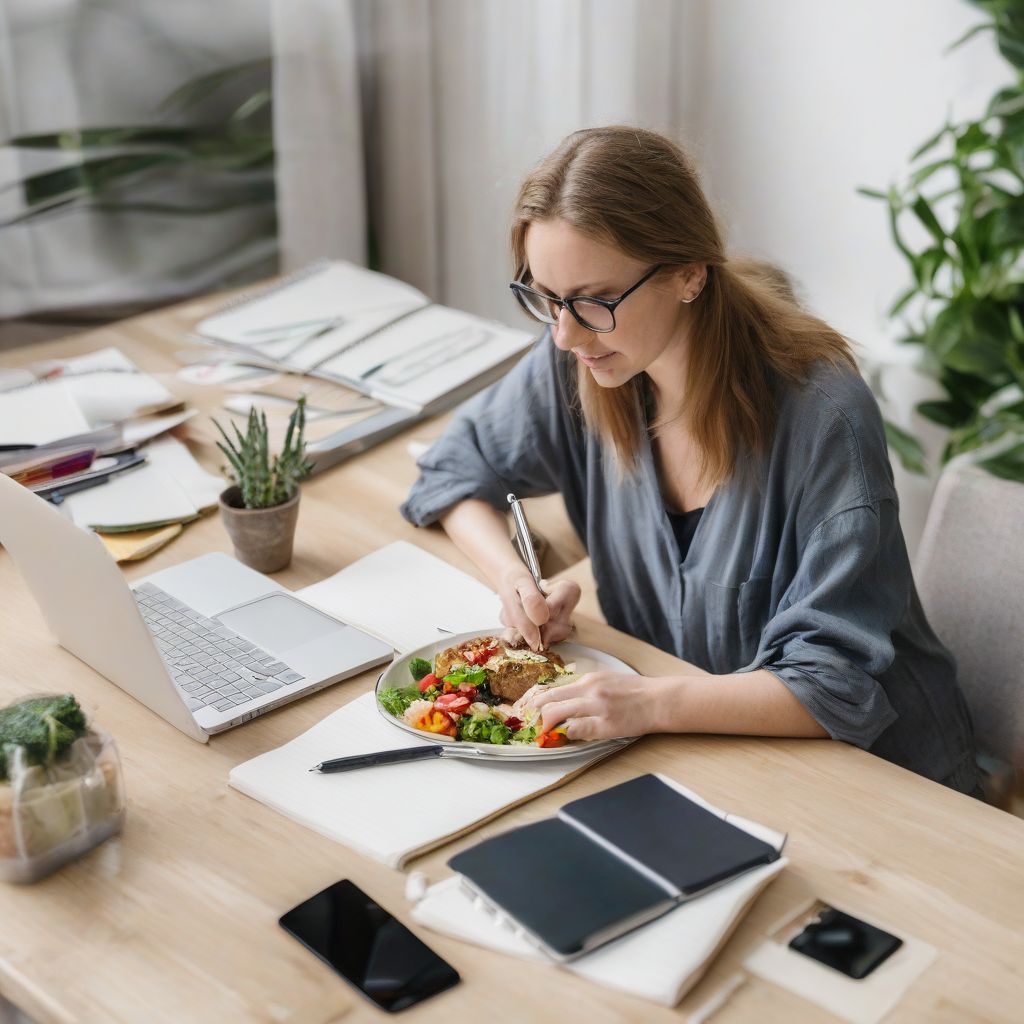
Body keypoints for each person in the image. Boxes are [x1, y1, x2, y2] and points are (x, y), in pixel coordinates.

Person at [400, 126, 979, 795]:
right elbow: (454, 467)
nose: (564, 333)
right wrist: (513, 579)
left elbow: (833, 685)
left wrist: (645, 703)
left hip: (881, 782)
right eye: (546, 298)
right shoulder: (587, 356)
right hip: (705, 760)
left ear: (688, 274)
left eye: (593, 300)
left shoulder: (825, 418)